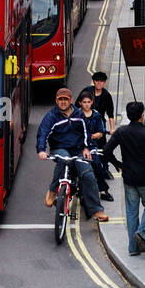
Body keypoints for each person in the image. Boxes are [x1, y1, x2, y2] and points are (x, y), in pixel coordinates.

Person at [36, 88, 108, 222]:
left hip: (78, 149)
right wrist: (41, 150)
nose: (63, 102)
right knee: (64, 161)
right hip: (60, 148)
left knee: (88, 174)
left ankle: (97, 210)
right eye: (60, 99)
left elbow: (87, 131)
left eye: (66, 99)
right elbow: (43, 133)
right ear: (56, 100)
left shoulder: (79, 114)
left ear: (71, 100)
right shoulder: (51, 116)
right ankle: (53, 190)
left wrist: (86, 147)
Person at [104, 101, 145, 256]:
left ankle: (133, 249)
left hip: (129, 177)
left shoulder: (121, 132)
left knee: (131, 212)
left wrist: (118, 165)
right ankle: (142, 233)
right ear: (142, 115)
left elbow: (106, 151)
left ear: (128, 116)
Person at [75, 91, 112, 202]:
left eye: (88, 102)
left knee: (97, 164)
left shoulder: (96, 115)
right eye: (84, 102)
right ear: (80, 103)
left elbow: (101, 132)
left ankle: (103, 190)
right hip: (78, 146)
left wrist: (91, 136)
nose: (86, 104)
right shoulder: (76, 115)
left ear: (92, 102)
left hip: (91, 146)